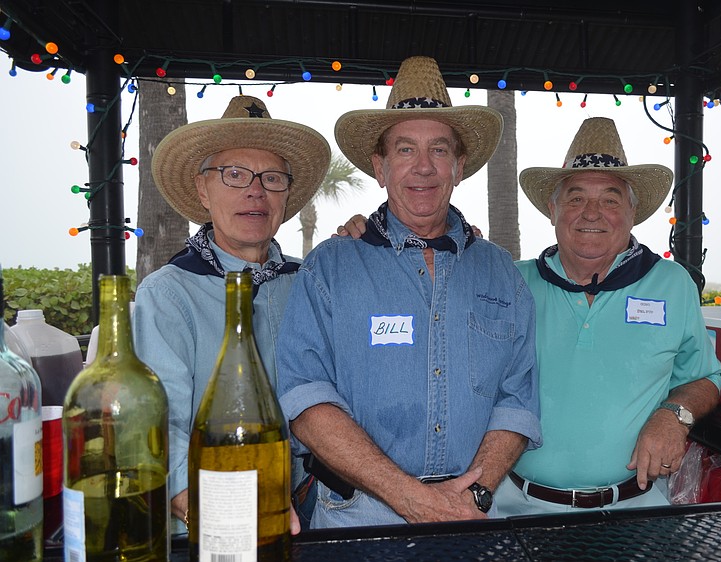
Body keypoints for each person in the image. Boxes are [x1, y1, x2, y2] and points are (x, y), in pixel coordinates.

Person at [275, 56, 541, 529]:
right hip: (358, 515)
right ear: (379, 167)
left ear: (459, 167)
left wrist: (475, 495)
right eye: (404, 150)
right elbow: (305, 399)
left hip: (471, 511)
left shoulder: (503, 273)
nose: (423, 167)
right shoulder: (330, 266)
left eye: (439, 150)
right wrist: (409, 497)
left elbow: (516, 402)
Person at [492, 116, 721, 514]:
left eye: (611, 200)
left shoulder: (672, 283)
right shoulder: (510, 282)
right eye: (576, 198)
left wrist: (674, 416)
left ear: (633, 213)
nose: (592, 213)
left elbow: (705, 377)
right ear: (553, 210)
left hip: (636, 510)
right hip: (517, 506)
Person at [133, 95, 331, 533]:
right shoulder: (168, 294)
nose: (255, 190)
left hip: (317, 509)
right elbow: (155, 424)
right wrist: (213, 511)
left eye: (272, 177)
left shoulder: (310, 281)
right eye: (235, 174)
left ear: (285, 195)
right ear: (203, 190)